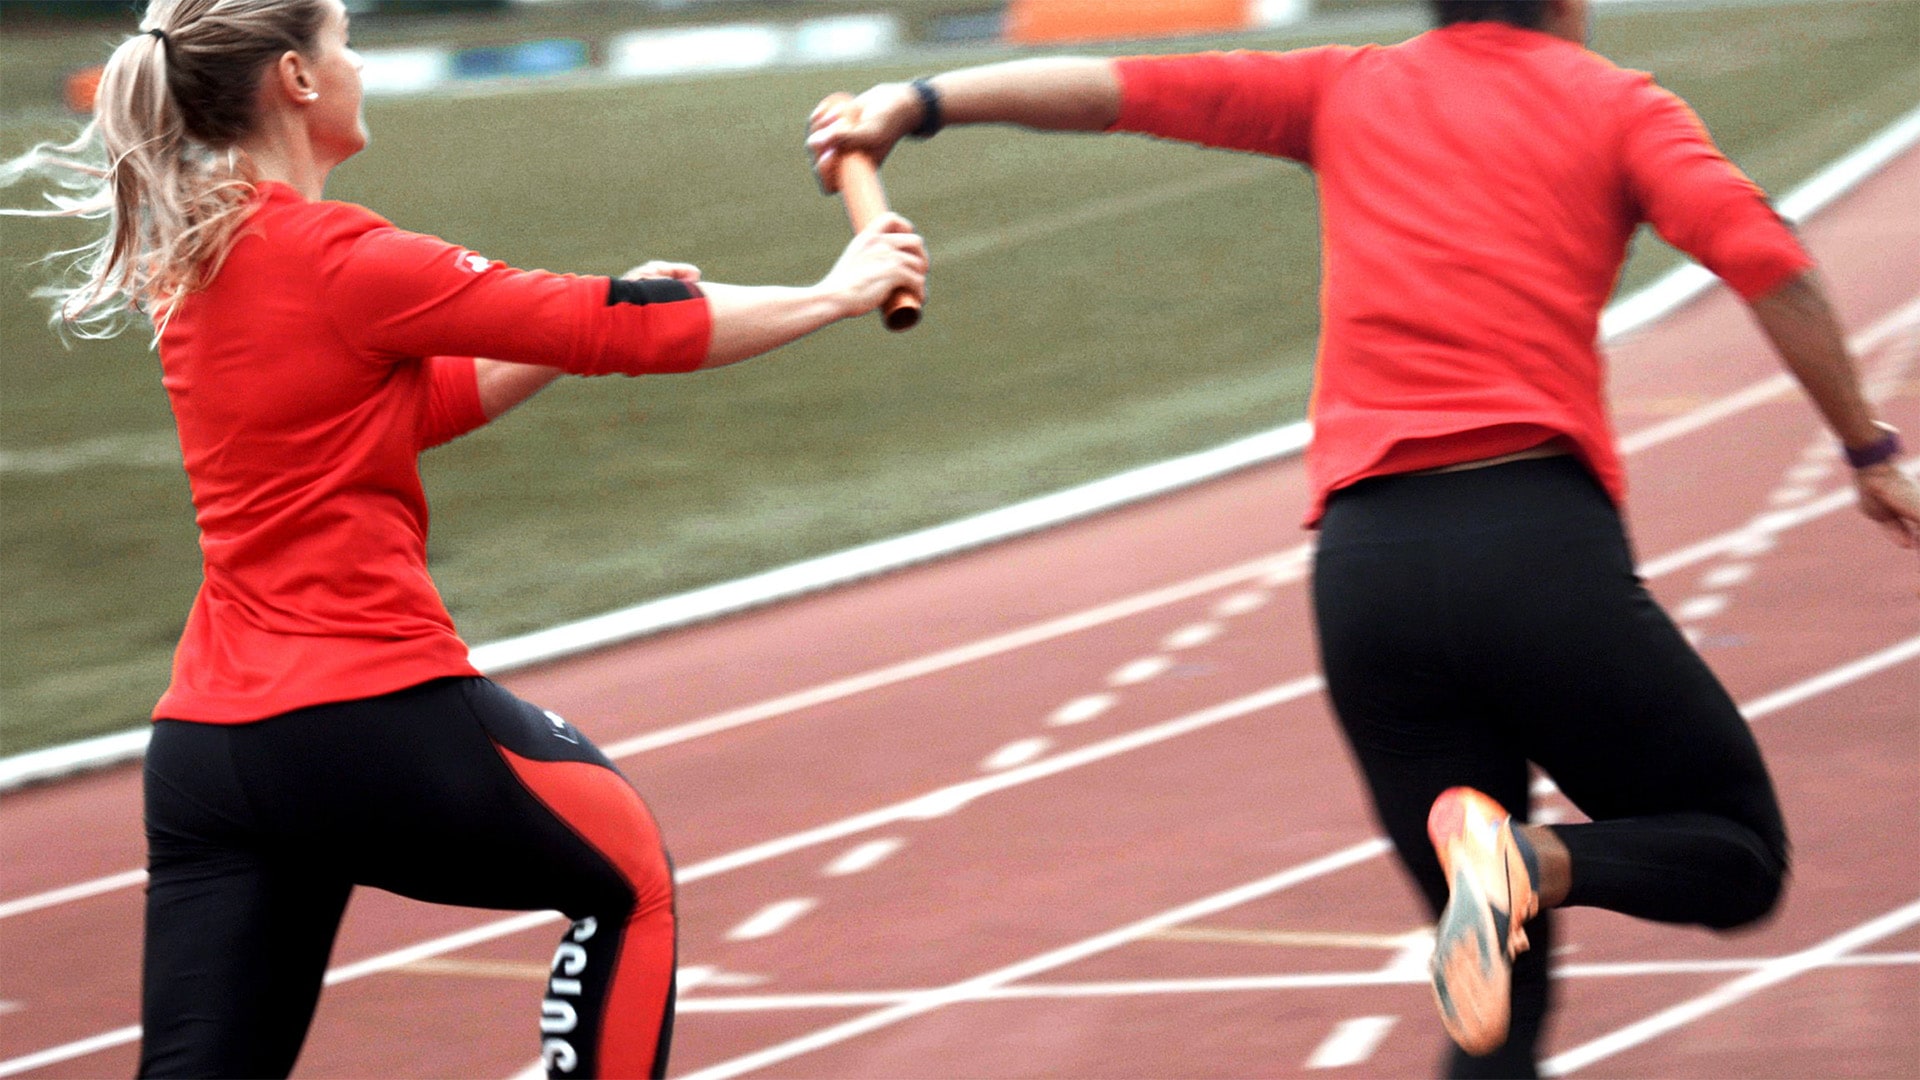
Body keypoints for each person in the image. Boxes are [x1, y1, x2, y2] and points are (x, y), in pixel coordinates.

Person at [805, 0, 1920, 1074]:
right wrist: (1868, 454)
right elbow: (1771, 263)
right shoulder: (1620, 105)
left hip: (1367, 582)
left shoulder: (1344, 88)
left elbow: (1116, 89)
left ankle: (1509, 879)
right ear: (1569, 0)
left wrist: (918, 101)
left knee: (1498, 1006)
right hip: (1533, 547)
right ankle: (1531, 862)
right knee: (1735, 852)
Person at [2, 0, 925, 1077]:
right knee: (626, 880)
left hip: (210, 753)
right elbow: (614, 321)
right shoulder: (341, 253)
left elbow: (403, 410)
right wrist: (834, 292)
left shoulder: (202, 262)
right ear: (298, 79)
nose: (359, 63)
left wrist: (581, 332)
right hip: (365, 712)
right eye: (346, 43)